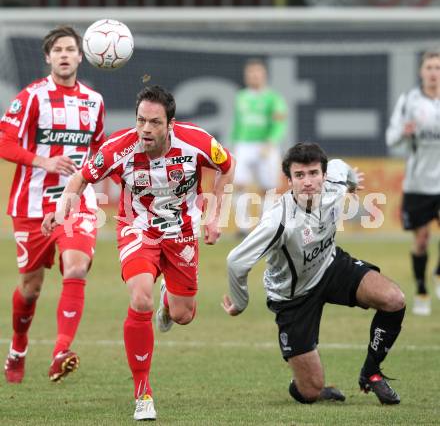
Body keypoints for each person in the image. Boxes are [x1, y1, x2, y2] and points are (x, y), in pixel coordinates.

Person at [42, 85, 235, 421]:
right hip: (138, 230)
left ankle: (168, 300)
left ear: (170, 124)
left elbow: (226, 167)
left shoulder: (198, 142)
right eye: (141, 120)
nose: (145, 129)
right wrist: (62, 212)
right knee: (140, 298)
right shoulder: (118, 148)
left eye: (154, 123)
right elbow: (79, 180)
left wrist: (215, 215)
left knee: (183, 315)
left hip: (182, 233)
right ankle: (142, 392)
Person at [222, 142, 406, 406]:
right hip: (292, 296)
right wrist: (240, 302)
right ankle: (308, 383)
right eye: (299, 176)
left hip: (330, 267)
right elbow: (236, 261)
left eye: (313, 174)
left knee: (394, 299)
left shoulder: (336, 180)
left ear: (324, 175)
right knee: (310, 392)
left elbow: (344, 169)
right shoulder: (278, 220)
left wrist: (353, 183)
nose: (307, 182)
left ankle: (371, 373)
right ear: (289, 181)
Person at [0, 26, 106, 383]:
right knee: (30, 289)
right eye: (57, 49)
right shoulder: (31, 97)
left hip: (75, 201)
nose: (64, 54)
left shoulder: (94, 101)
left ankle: (61, 350)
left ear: (80, 56)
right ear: (48, 57)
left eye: (70, 49)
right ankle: (18, 346)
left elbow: (100, 153)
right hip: (31, 205)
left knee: (76, 268)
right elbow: (3, 141)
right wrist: (43, 161)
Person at [386, 49, 440, 316]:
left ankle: (439, 272)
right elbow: (391, 138)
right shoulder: (409, 101)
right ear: (421, 72)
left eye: (438, 68)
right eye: (429, 67)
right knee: (421, 239)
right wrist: (403, 132)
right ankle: (421, 290)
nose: (434, 73)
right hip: (418, 183)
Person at [230, 58, 287, 235]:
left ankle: (265, 225)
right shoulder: (241, 97)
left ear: (264, 75)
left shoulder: (273, 98)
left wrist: (271, 142)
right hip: (243, 145)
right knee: (238, 183)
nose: (253, 76)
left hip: (266, 145)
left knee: (268, 188)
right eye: (250, 73)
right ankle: (243, 226)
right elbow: (238, 124)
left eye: (257, 72)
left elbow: (279, 123)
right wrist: (233, 145)